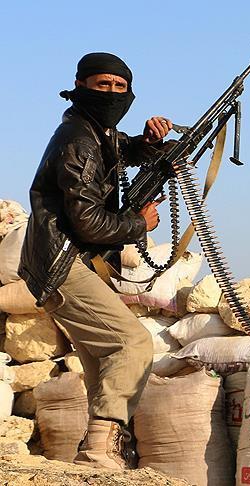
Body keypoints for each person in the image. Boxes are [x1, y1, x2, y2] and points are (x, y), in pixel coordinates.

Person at [18, 52, 173, 469]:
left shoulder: (94, 131)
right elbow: (87, 222)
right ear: (80, 86)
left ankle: (96, 450)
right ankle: (99, 449)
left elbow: (120, 151)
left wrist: (149, 143)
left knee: (102, 359)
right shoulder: (79, 140)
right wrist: (138, 224)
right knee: (132, 343)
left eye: (120, 86)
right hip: (62, 262)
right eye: (103, 84)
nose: (112, 93)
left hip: (61, 262)